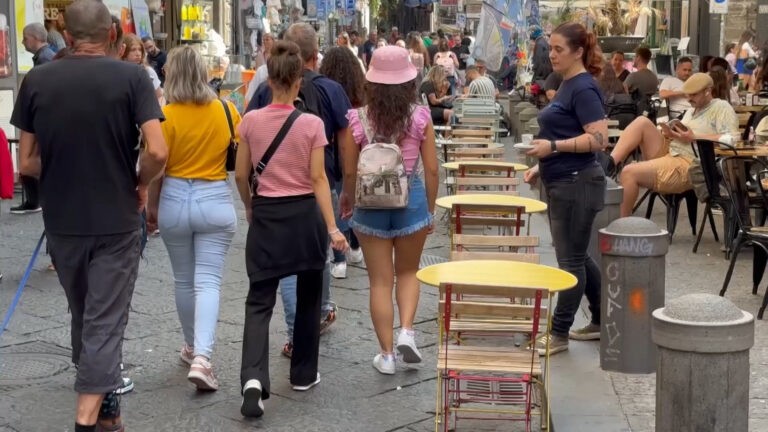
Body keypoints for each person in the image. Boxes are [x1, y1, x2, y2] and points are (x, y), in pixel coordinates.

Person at [11, 1, 167, 430]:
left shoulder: (37, 80)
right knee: (104, 318)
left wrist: (62, 165)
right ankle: (86, 418)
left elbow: (25, 162)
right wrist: (140, 183)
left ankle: (108, 410)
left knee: (85, 314)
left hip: (63, 220)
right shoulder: (133, 77)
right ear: (112, 35)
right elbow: (157, 150)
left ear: (66, 32)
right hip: (116, 217)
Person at [235, 40, 349, 418]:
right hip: (304, 216)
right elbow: (318, 179)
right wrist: (333, 227)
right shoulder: (312, 124)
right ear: (299, 81)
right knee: (309, 295)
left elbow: (240, 173)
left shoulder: (249, 121)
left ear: (268, 79)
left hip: (268, 213)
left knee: (259, 300)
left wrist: (251, 207)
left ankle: (253, 379)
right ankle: (303, 373)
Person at [248, 23, 352, 357]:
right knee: (314, 258)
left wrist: (251, 195)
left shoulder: (266, 90)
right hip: (321, 185)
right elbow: (347, 142)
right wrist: (348, 185)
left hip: (274, 193)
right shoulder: (332, 90)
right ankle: (308, 324)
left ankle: (306, 326)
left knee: (286, 268)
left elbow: (246, 142)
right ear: (314, 55)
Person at [339, 46, 439, 375]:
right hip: (411, 201)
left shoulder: (357, 118)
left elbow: (350, 172)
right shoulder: (421, 117)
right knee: (408, 273)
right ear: (409, 82)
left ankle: (386, 356)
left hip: (369, 205)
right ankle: (407, 331)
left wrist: (347, 199)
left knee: (380, 282)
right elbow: (432, 170)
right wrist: (430, 209)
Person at [146, 45, 238, 391]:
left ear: (171, 74)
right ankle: (202, 357)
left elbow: (156, 168)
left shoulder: (163, 116)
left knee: (184, 280)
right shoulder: (226, 111)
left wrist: (152, 207)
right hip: (213, 197)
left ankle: (191, 347)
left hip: (174, 199)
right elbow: (238, 155)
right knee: (209, 281)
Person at [523, 22, 608, 355]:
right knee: (578, 257)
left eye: (559, 49)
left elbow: (599, 139)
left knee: (570, 262)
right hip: (566, 180)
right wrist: (540, 164)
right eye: (551, 48)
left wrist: (553, 149)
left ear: (578, 52)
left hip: (577, 183)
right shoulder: (571, 85)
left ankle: (559, 333)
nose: (552, 54)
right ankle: (601, 320)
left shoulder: (583, 88)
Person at [606, 73, 738, 217]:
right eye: (687, 95)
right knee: (641, 122)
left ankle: (621, 227)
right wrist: (671, 133)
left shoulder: (721, 107)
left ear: (708, 91)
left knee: (629, 172)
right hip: (672, 151)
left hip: (689, 162)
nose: (689, 98)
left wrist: (694, 137)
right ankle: (609, 163)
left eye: (693, 95)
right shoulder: (690, 110)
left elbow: (731, 139)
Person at [319, 46, 365, 279]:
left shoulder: (325, 91)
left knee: (336, 200)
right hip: (357, 153)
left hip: (332, 153)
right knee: (352, 198)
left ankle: (339, 259)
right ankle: (355, 247)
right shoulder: (359, 93)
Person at [11, 23, 55, 215]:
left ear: (34, 38)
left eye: (25, 38)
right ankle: (34, 199)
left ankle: (34, 199)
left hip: (43, 116)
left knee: (30, 157)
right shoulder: (46, 57)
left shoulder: (45, 60)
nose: (22, 42)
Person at [122, 34, 163, 101]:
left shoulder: (148, 71)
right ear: (124, 51)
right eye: (133, 50)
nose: (138, 54)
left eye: (140, 50)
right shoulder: (118, 72)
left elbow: (160, 97)